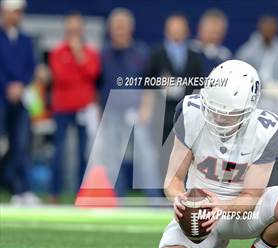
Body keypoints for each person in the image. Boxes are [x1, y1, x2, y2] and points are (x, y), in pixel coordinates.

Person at [158, 60, 278, 248]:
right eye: (213, 110)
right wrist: (180, 200)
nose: (219, 118)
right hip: (199, 210)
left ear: (249, 107)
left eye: (228, 113)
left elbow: (251, 196)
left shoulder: (266, 130)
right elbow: (173, 180)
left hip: (242, 214)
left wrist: (220, 207)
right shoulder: (190, 112)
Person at [99, 8, 161, 197]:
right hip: (111, 113)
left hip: (136, 112)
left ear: (130, 29)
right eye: (116, 27)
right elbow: (97, 85)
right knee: (112, 158)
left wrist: (146, 110)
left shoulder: (141, 52)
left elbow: (150, 84)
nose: (119, 30)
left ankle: (154, 200)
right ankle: (116, 199)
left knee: (146, 156)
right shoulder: (103, 54)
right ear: (110, 29)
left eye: (122, 27)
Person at [236, 14, 278, 187]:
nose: (269, 31)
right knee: (249, 153)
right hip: (255, 110)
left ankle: (274, 193)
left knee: (277, 155)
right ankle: (247, 193)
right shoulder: (247, 51)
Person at [48, 12, 100, 202]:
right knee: (58, 152)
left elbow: (92, 73)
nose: (74, 32)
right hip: (62, 109)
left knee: (82, 154)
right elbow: (60, 76)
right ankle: (54, 193)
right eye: (70, 29)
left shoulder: (91, 52)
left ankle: (81, 194)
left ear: (82, 30)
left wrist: (78, 55)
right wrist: (79, 69)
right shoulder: (57, 52)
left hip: (83, 110)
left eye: (77, 29)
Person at [0, 0, 39, 204]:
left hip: (21, 99)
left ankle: (21, 189)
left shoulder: (26, 40)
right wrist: (7, 85)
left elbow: (31, 67)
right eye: (12, 12)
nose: (16, 16)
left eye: (19, 12)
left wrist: (20, 86)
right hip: (1, 96)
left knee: (21, 144)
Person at [146, 13, 203, 143]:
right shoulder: (156, 54)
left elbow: (200, 82)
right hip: (161, 111)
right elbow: (146, 81)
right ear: (167, 31)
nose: (176, 32)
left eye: (180, 29)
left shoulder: (195, 56)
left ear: (186, 31)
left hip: (187, 111)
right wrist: (160, 85)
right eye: (174, 29)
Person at [190, 9, 231, 75]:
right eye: (211, 32)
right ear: (200, 29)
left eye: (217, 33)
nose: (213, 37)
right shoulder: (189, 50)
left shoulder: (225, 55)